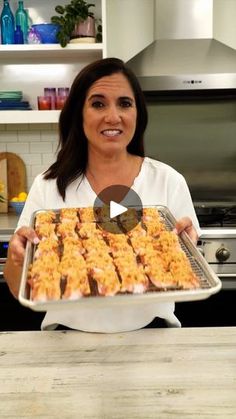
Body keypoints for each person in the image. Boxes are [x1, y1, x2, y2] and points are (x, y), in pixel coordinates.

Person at [4, 57, 200, 332]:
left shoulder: (167, 180)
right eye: (98, 104)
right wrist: (16, 258)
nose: (113, 116)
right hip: (66, 343)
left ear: (137, 114)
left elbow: (188, 277)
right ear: (78, 114)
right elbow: (18, 288)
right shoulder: (48, 186)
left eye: (124, 103)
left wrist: (185, 252)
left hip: (153, 341)